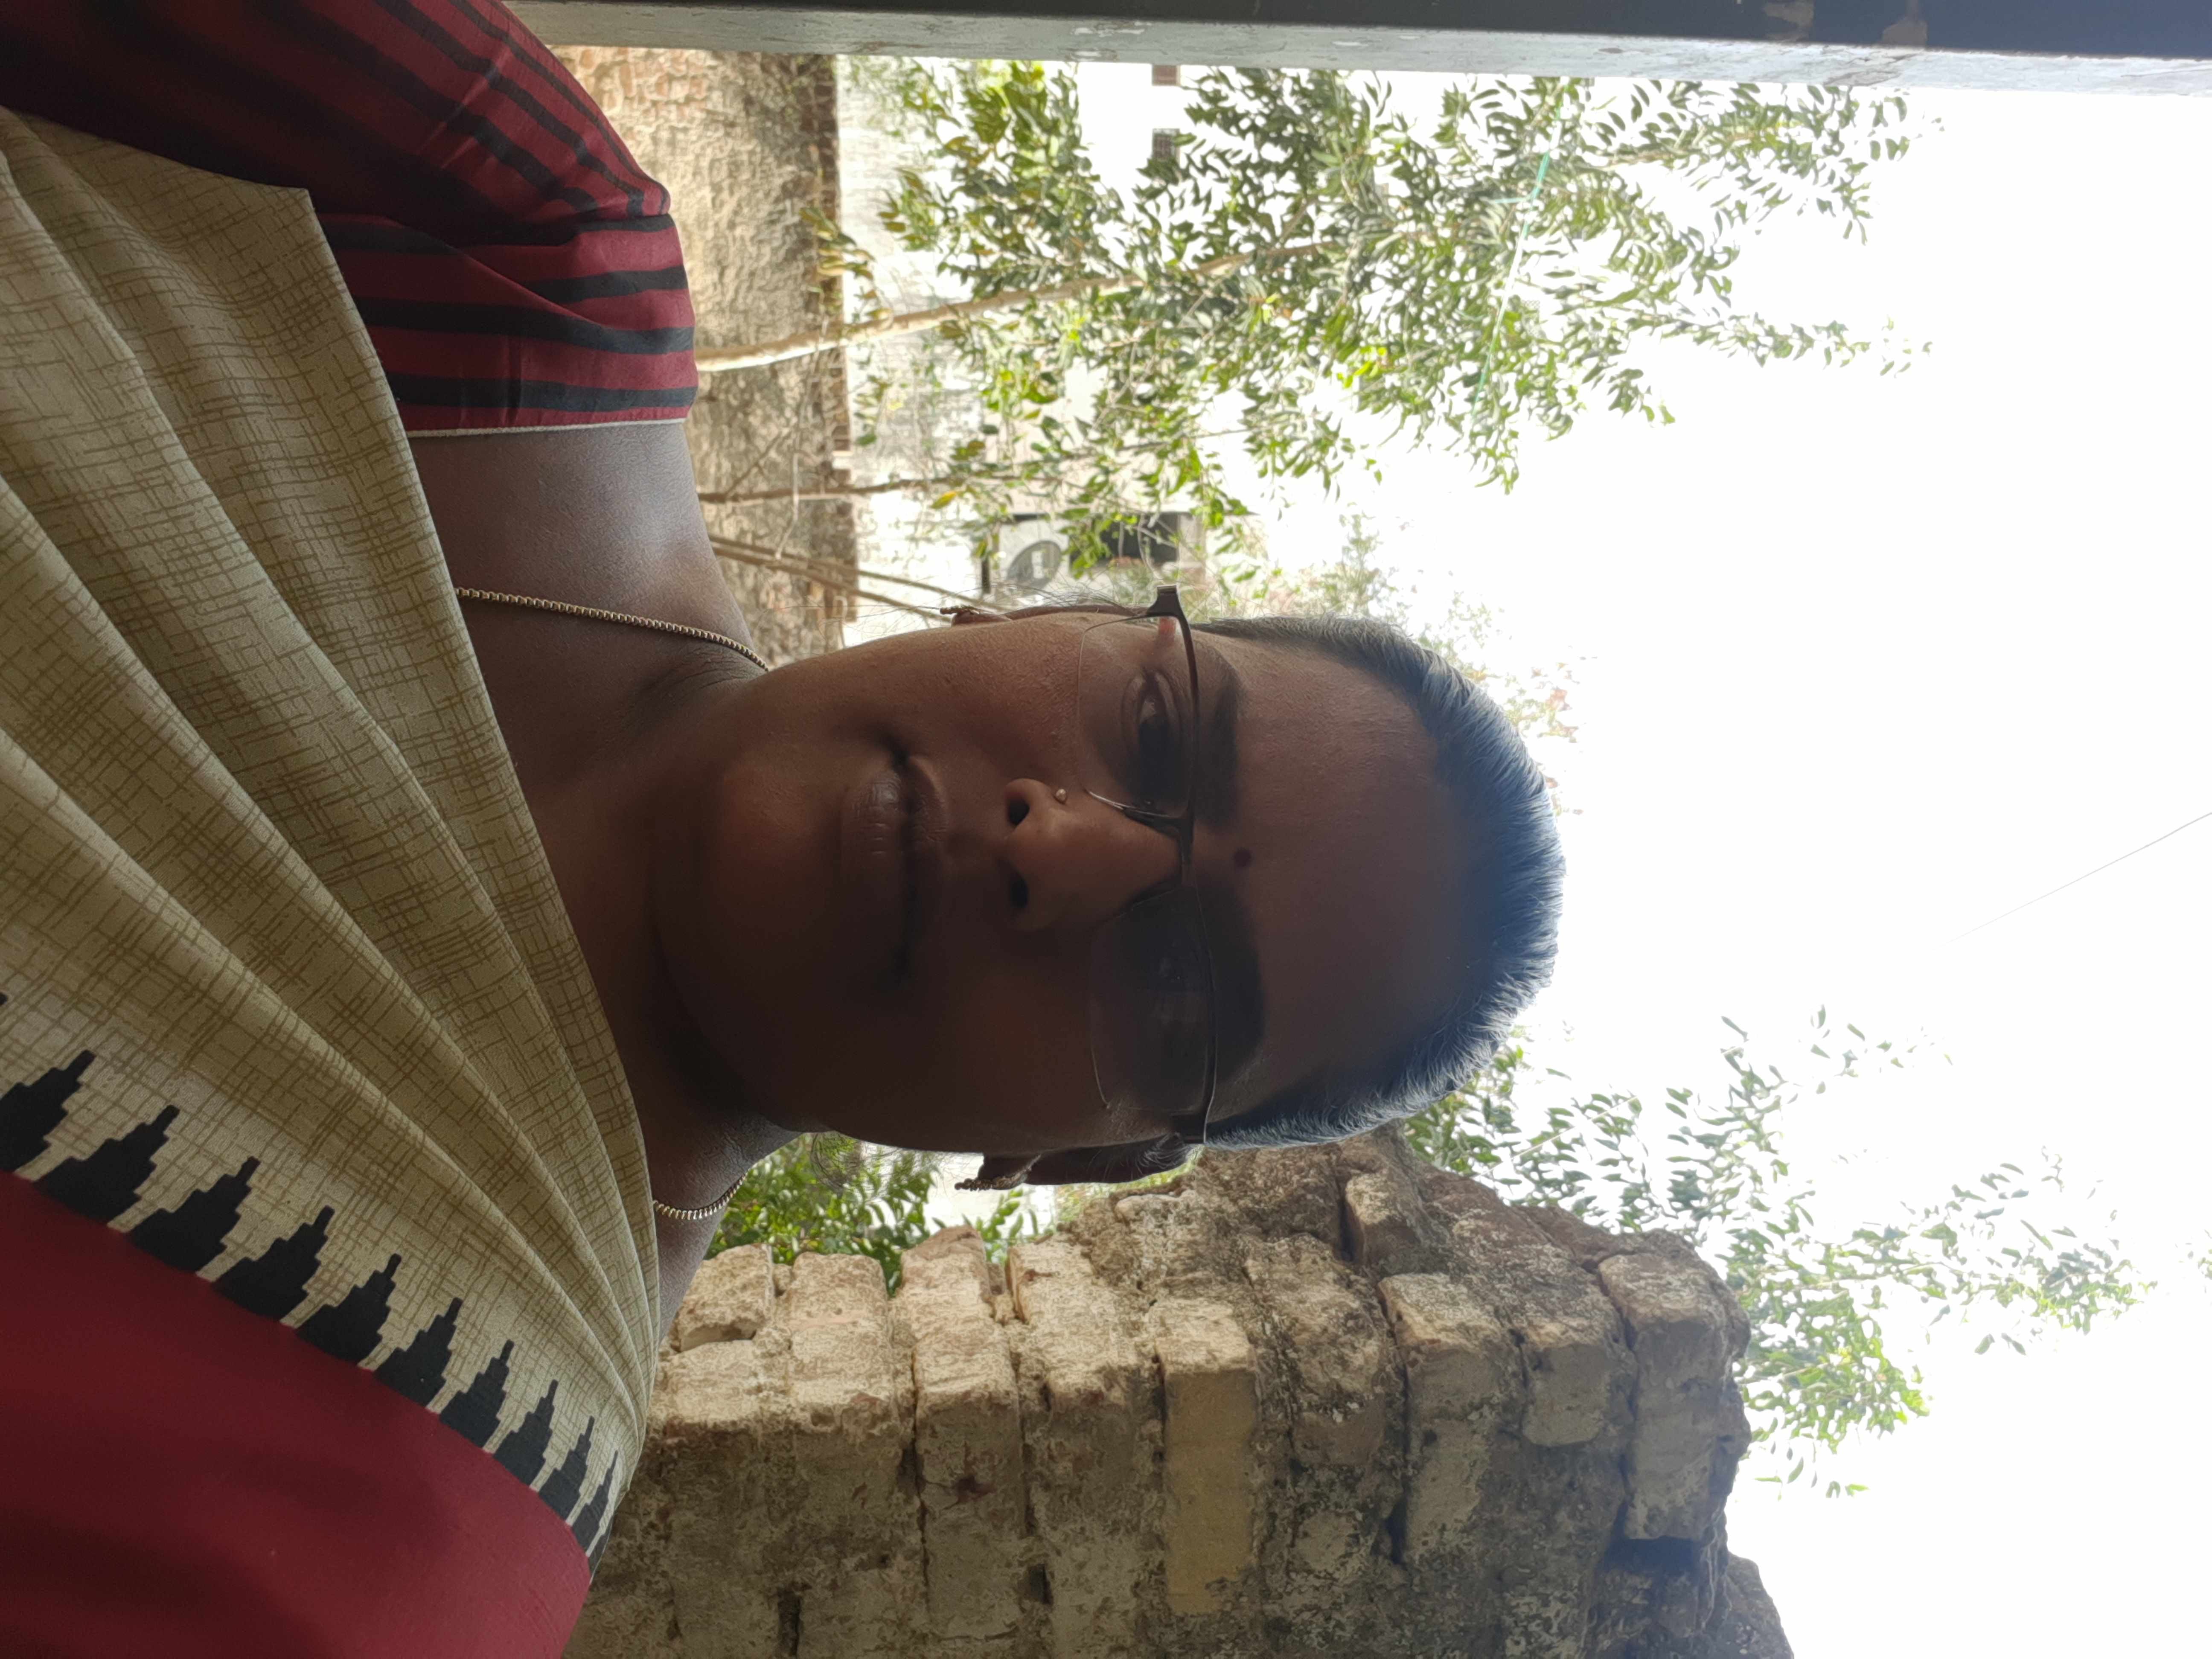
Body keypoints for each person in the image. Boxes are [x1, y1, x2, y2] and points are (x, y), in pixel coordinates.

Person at [0, 4, 1562, 1653]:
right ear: (1047, 610)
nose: (1065, 853)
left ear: (1087, 1159)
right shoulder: (504, 255)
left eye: (1180, 988)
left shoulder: (398, 1521)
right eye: (1159, 729)